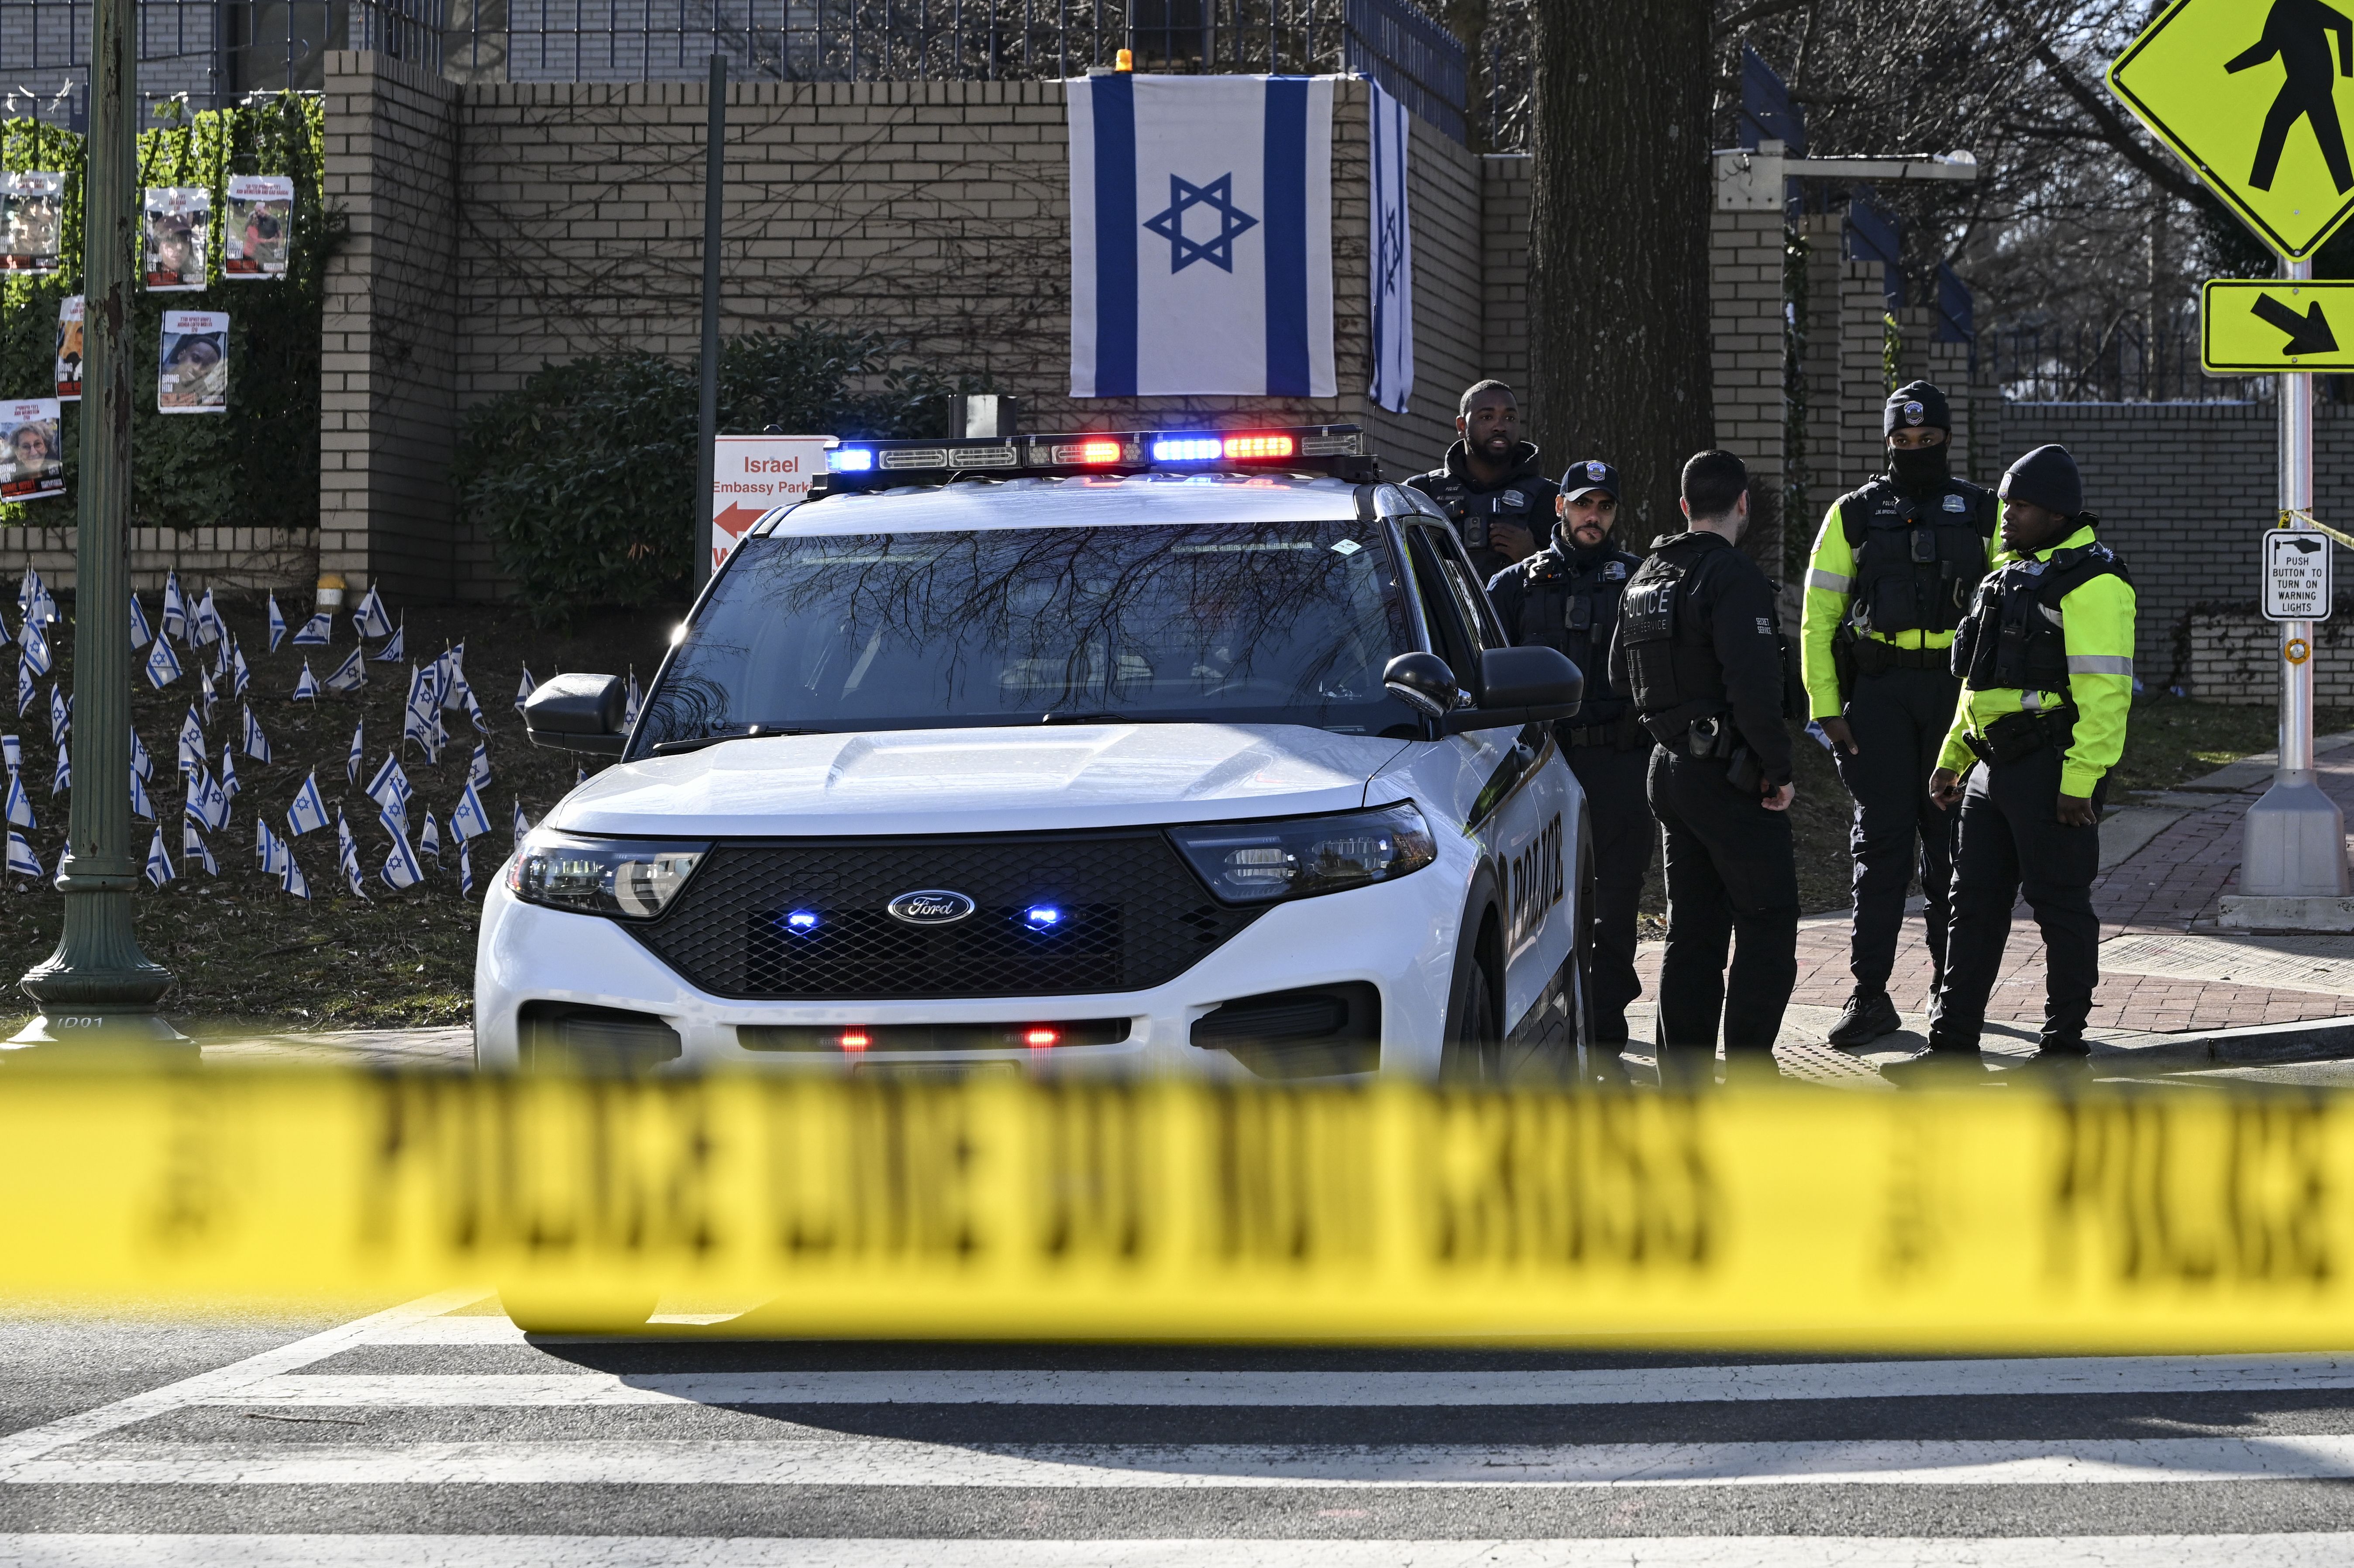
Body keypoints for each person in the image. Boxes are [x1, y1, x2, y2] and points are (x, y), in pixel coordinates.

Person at [1884, 444, 2136, 1084]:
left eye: (2020, 506)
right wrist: (1953, 759)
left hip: (2052, 772)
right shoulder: (2005, 577)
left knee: (2060, 908)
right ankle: (1950, 1048)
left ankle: (2061, 1050)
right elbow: (1978, 686)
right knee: (1971, 910)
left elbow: (2107, 696)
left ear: (2056, 512)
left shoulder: (2094, 582)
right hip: (1991, 772)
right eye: (2006, 503)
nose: (2006, 516)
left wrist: (2081, 783)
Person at [1799, 380, 1999, 1048]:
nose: (1915, 450)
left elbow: (2008, 617)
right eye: (1902, 441)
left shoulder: (1981, 511)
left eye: (1928, 440)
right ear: (1886, 443)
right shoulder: (1853, 514)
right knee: (1881, 850)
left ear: (1947, 439)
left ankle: (1952, 995)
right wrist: (1827, 711)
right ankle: (1870, 996)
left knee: (1952, 852)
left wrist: (1986, 713)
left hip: (1954, 699)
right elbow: (1818, 619)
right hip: (1879, 696)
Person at [1608, 450, 1799, 1080]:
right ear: (1743, 503)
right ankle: (1749, 1074)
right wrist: (1778, 768)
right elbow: (1754, 686)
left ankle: (1682, 1081)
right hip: (1729, 776)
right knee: (1768, 921)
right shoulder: (1732, 576)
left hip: (1668, 770)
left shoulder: (1646, 575)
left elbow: (1618, 675)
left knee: (1693, 931)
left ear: (1685, 506)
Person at [1487, 458, 1650, 1069]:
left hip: (1619, 761)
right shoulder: (1514, 587)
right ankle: (1547, 1010)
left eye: (1605, 507)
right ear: (1560, 508)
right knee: (1542, 891)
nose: (1594, 517)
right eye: (1584, 505)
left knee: (1618, 892)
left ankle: (1604, 1013)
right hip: (1542, 764)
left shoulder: (1638, 582)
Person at [1405, 381, 1557, 581]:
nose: (1500, 427)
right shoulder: (1421, 492)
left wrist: (1532, 556)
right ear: (1462, 426)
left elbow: (1576, 578)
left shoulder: (1549, 497)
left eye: (1510, 418)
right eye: (1487, 417)